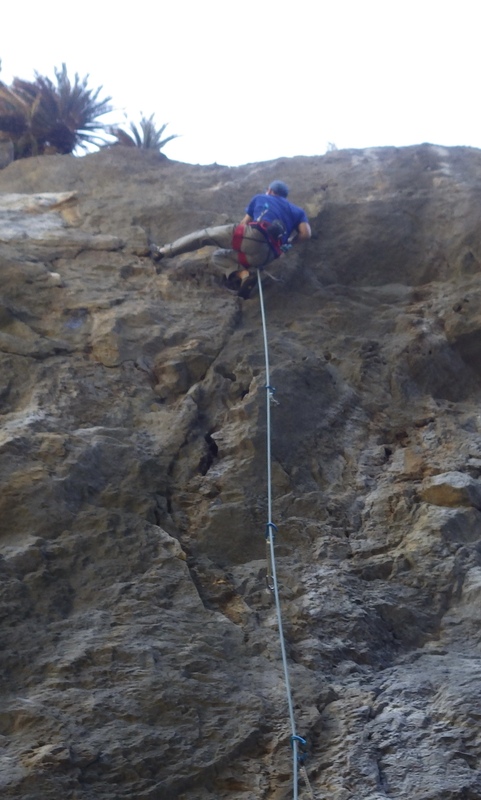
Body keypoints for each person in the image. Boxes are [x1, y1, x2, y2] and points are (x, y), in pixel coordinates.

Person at [151, 180, 311, 297]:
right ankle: (245, 276)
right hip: (267, 256)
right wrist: (288, 244)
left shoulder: (261, 197)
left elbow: (244, 224)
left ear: (269, 191)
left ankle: (164, 251)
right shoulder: (298, 211)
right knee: (219, 256)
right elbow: (306, 234)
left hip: (252, 236)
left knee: (204, 236)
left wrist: (235, 239)